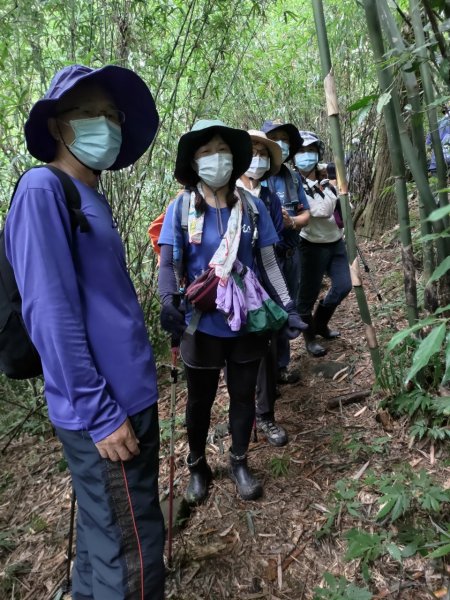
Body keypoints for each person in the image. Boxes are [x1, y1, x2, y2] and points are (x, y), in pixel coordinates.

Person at [4, 64, 165, 600]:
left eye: (112, 115)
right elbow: (49, 313)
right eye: (90, 113)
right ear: (57, 127)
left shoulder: (90, 196)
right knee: (134, 549)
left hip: (126, 397)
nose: (106, 124)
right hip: (106, 409)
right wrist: (100, 414)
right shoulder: (42, 190)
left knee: (106, 538)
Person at [157, 119, 304, 504]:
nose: (215, 159)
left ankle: (239, 461)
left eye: (221, 151)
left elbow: (269, 263)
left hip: (247, 321)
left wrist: (287, 306)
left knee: (242, 397)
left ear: (233, 158)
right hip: (202, 322)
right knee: (198, 401)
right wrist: (168, 300)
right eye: (205, 153)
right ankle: (198, 466)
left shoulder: (252, 207)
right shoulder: (181, 207)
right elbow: (169, 262)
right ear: (193, 162)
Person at [237, 130, 288, 446]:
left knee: (265, 350)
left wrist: (283, 298)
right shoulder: (221, 193)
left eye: (263, 152)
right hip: (229, 290)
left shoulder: (269, 196)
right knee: (236, 355)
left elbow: (274, 242)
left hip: (263, 285)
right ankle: (241, 417)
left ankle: (265, 415)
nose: (258, 157)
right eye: (252, 150)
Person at [294, 130, 352, 357]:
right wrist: (332, 189)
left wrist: (336, 184)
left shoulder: (329, 174)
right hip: (310, 245)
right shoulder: (293, 183)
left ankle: (319, 323)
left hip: (335, 241)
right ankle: (309, 339)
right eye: (301, 151)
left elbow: (346, 207)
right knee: (306, 296)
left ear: (318, 153)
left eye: (310, 151)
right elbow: (322, 209)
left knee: (343, 286)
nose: (306, 156)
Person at [261, 120, 311, 384]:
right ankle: (265, 373)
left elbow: (306, 213)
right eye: (274, 138)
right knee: (266, 312)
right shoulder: (254, 177)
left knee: (286, 307)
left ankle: (280, 367)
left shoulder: (291, 177)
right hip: (264, 257)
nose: (280, 143)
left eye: (285, 139)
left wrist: (291, 222)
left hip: (290, 254)